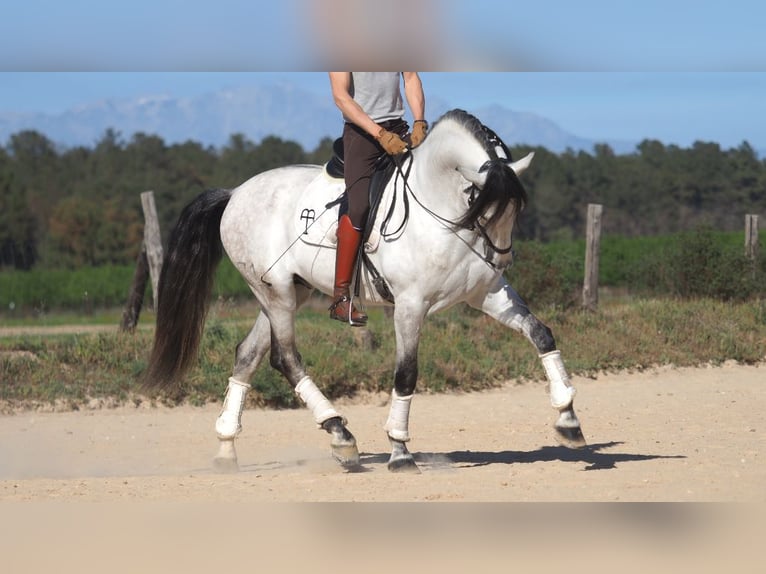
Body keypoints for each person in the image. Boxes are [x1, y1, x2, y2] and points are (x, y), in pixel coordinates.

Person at [327, 72, 427, 326]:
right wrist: (379, 134)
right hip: (362, 134)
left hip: (400, 127)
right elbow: (341, 98)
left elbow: (411, 78)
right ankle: (340, 297)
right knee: (359, 206)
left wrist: (419, 122)